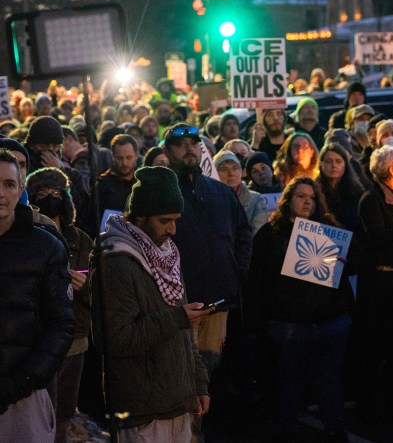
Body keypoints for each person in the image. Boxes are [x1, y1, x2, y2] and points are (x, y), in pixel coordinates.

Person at [93, 166, 211, 442]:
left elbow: (185, 333)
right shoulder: (115, 260)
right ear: (140, 217)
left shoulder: (167, 254)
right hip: (143, 414)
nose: (173, 230)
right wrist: (177, 318)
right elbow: (114, 340)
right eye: (164, 220)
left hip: (178, 403)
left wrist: (199, 381)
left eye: (176, 220)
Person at [246, 177, 355, 442]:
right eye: (300, 196)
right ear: (288, 199)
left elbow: (356, 263)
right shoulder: (271, 233)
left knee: (328, 382)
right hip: (290, 324)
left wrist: (345, 260)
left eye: (312, 197)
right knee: (288, 383)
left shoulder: (329, 228)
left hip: (329, 322)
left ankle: (334, 430)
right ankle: (287, 429)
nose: (307, 202)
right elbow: (258, 280)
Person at [164, 123, 252, 385]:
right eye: (180, 145)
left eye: (193, 143)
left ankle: (204, 425)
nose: (189, 149)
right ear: (168, 152)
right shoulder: (162, 194)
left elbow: (243, 234)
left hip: (219, 302)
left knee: (211, 372)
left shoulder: (221, 192)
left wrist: (237, 270)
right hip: (179, 306)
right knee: (182, 375)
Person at [0, 149, 74, 441]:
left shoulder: (46, 247)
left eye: (8, 184)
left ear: (20, 191)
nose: (1, 193)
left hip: (25, 398)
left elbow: (61, 325)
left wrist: (24, 381)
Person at [25, 167, 92, 443]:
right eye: (43, 193)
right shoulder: (29, 237)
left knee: (64, 409)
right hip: (38, 339)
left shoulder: (80, 239)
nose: (51, 198)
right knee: (40, 412)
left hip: (75, 338)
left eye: (56, 193)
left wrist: (84, 286)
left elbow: (99, 292)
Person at [355, 145, 393, 419]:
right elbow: (375, 239)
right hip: (382, 285)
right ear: (392, 169)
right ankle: (371, 406)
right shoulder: (371, 200)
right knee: (378, 346)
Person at [213, 150, 270, 235]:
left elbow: (258, 233)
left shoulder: (255, 199)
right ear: (215, 173)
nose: (231, 173)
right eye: (224, 169)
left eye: (235, 168)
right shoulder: (209, 200)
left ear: (240, 171)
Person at [97, 133, 139, 220]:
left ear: (136, 156)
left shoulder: (142, 183)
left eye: (129, 157)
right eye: (120, 158)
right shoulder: (102, 184)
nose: (124, 163)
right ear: (113, 157)